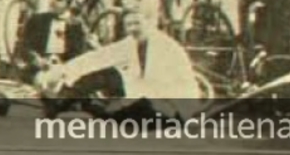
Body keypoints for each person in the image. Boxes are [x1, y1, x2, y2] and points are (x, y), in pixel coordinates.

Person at [36, 8, 200, 121]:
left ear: (149, 22)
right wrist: (62, 71)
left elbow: (161, 85)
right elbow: (98, 58)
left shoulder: (165, 46)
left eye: (137, 23)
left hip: (172, 106)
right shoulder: (131, 42)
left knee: (111, 97)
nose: (133, 29)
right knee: (105, 76)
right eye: (129, 25)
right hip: (147, 100)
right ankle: (62, 101)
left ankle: (68, 103)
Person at [13, 0, 92, 84]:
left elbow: (78, 55)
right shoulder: (37, 19)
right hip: (38, 69)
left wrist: (61, 64)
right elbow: (24, 46)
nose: (53, 2)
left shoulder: (76, 26)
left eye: (59, 0)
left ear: (68, 4)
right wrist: (35, 59)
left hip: (64, 72)